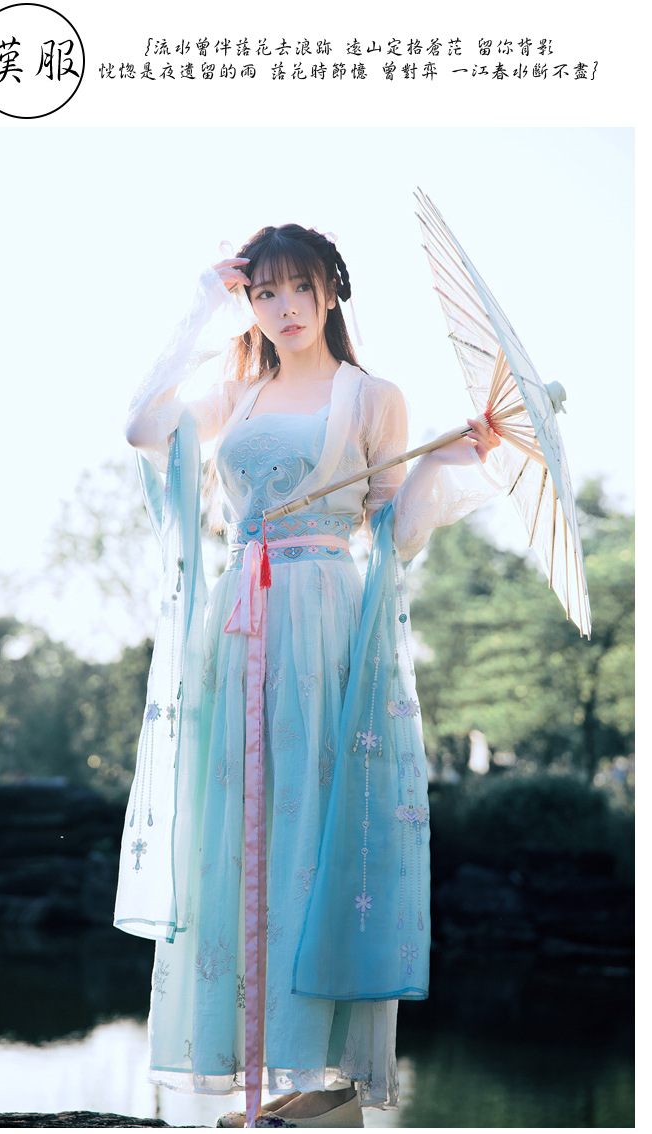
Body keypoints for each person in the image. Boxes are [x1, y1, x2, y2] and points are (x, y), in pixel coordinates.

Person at [114, 224, 503, 1129]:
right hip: (236, 621)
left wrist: (452, 458)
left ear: (333, 289)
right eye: (265, 292)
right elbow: (141, 429)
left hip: (323, 617)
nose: (284, 307)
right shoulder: (237, 392)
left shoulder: (372, 397)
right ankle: (257, 1071)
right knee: (235, 834)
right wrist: (201, 305)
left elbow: (391, 529)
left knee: (312, 831)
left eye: (300, 287)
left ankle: (320, 1076)